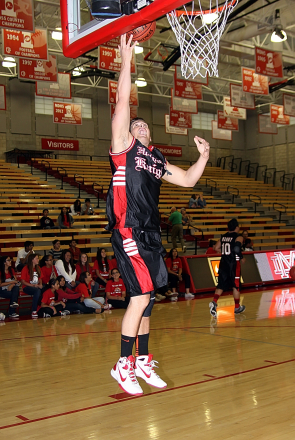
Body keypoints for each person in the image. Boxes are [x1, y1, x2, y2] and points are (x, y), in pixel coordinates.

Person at [107, 34, 210, 396]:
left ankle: (143, 360)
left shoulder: (156, 160)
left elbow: (187, 180)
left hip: (151, 234)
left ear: (150, 136)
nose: (139, 125)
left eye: (144, 125)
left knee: (149, 298)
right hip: (129, 229)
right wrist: (126, 58)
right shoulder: (124, 148)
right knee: (140, 295)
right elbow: (122, 100)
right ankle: (124, 364)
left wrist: (204, 156)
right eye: (134, 124)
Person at [209, 218, 246, 318]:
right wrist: (241, 257)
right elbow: (237, 248)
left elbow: (216, 248)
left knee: (221, 285)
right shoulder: (238, 237)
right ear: (237, 227)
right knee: (236, 286)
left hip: (223, 263)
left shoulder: (223, 237)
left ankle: (214, 302)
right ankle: (237, 307)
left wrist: (225, 253)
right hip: (233, 264)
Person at [21, 253, 43, 319]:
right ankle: (34, 310)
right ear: (32, 260)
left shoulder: (38, 268)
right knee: (37, 291)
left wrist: (40, 284)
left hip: (36, 286)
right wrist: (33, 285)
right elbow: (23, 281)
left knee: (45, 288)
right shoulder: (25, 268)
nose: (38, 260)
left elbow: (40, 278)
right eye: (37, 258)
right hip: (27, 287)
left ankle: (44, 307)